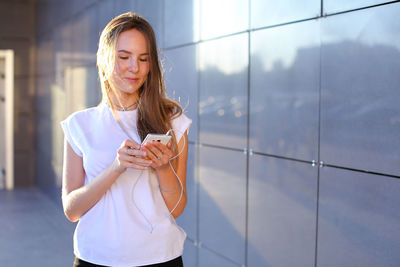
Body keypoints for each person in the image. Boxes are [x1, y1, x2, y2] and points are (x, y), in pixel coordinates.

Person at [60, 12, 191, 267]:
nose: (135, 67)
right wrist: (116, 168)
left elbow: (176, 209)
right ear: (105, 58)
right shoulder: (80, 125)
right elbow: (72, 210)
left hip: (161, 257)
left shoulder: (172, 121)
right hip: (95, 258)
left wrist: (163, 167)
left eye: (143, 58)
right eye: (124, 57)